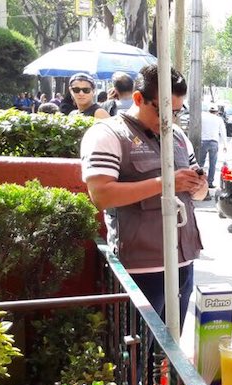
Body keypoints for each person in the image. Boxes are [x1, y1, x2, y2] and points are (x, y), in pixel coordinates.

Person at [79, 63, 206, 332]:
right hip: (141, 267)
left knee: (169, 357)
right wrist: (165, 183)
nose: (170, 119)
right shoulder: (107, 134)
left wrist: (198, 185)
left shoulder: (179, 137)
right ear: (138, 99)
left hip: (184, 260)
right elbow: (101, 194)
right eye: (164, 111)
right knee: (140, 357)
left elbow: (200, 194)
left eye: (177, 111)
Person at [198, 104, 227, 188]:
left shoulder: (203, 117)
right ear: (217, 112)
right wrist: (225, 145)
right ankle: (210, 182)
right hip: (214, 142)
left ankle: (199, 181)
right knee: (213, 164)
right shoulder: (219, 119)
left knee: (200, 163)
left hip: (203, 142)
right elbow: (223, 132)